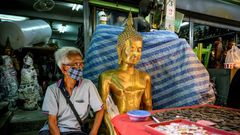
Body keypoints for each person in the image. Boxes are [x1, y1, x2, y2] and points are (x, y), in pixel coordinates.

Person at [99, 12, 152, 135]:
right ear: (120, 50)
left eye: (139, 50)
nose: (135, 54)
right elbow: (104, 109)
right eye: (131, 49)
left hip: (139, 125)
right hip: (117, 125)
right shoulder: (107, 77)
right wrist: (112, 131)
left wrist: (147, 127)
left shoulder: (145, 77)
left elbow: (148, 105)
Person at [39, 47, 104, 135]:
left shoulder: (88, 85)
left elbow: (100, 110)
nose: (80, 68)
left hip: (75, 131)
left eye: (81, 63)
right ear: (63, 68)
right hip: (53, 130)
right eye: (76, 64)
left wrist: (94, 132)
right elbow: (52, 121)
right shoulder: (52, 90)